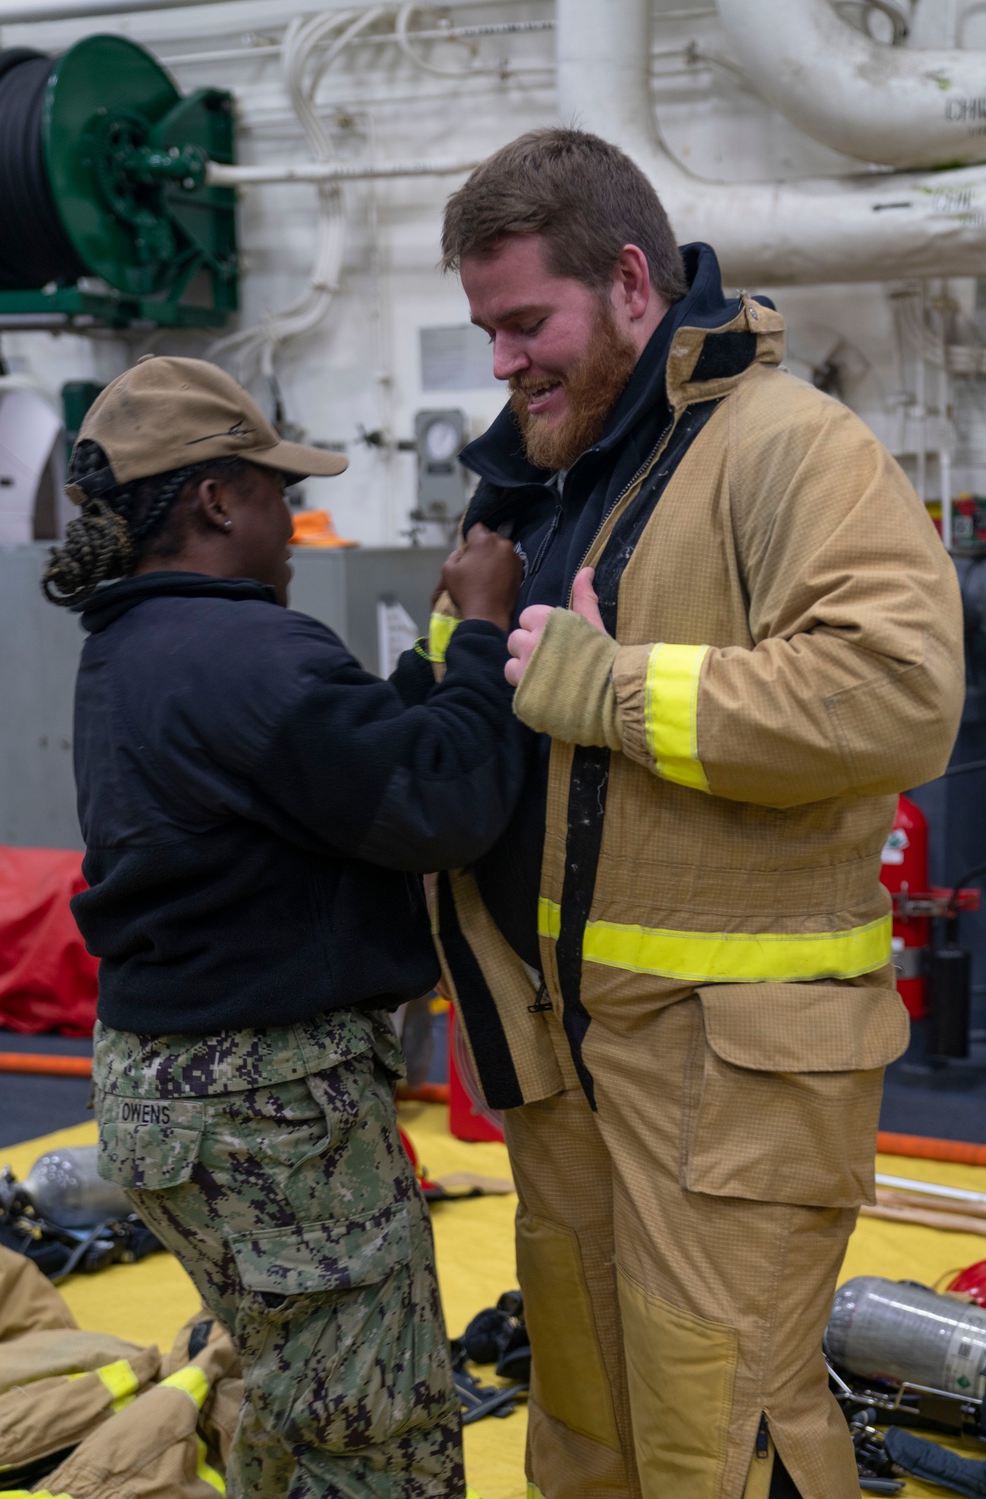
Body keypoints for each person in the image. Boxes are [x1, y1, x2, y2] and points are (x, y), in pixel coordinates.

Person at [430, 128, 966, 1499]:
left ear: (626, 282)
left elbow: (899, 692)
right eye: (484, 328)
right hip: (572, 1068)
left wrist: (611, 689)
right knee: (591, 1428)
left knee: (719, 1435)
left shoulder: (790, 448)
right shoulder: (545, 479)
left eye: (523, 320)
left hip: (730, 1087)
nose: (500, 362)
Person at [42, 354, 526, 1499]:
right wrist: (486, 631)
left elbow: (337, 769)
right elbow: (440, 803)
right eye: (273, 489)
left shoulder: (138, 645)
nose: (293, 520)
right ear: (217, 498)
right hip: (273, 1110)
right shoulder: (250, 648)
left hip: (175, 1100)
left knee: (288, 1389)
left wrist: (436, 649)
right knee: (376, 1440)